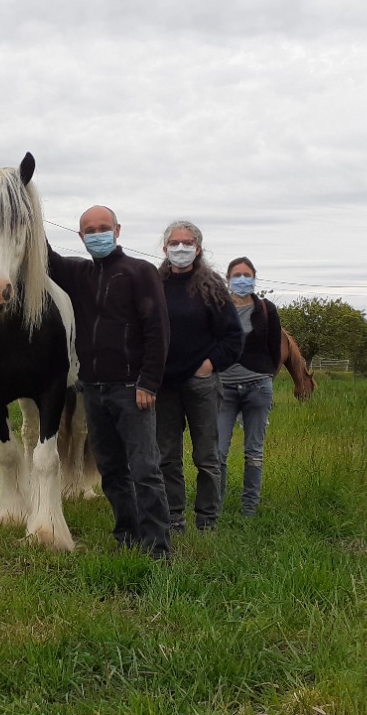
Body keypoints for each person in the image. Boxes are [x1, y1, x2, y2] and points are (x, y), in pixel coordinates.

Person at [46, 206, 172, 559]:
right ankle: (127, 537)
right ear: (80, 236)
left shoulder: (140, 272)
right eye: (89, 230)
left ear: (117, 230)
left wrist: (149, 381)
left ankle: (158, 547)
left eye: (103, 228)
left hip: (133, 389)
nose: (97, 234)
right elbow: (46, 258)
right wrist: (27, 210)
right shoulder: (80, 273)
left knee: (145, 469)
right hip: (94, 389)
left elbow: (158, 330)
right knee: (111, 469)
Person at [156, 221, 243, 533]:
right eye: (175, 243)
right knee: (167, 457)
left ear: (199, 247)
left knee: (207, 456)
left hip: (201, 384)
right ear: (164, 248)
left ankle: (208, 520)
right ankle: (173, 517)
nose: (181, 248)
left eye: (188, 242)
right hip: (163, 384)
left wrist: (209, 364)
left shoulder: (213, 288)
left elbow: (234, 338)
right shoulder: (154, 285)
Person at [216, 256, 282, 517]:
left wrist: (263, 375)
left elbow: (275, 351)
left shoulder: (267, 309)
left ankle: (249, 509)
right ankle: (214, 508)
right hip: (224, 391)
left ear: (254, 278)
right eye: (236, 275)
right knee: (218, 453)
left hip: (258, 388)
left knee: (254, 452)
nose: (242, 280)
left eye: (247, 275)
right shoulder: (219, 310)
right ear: (228, 279)